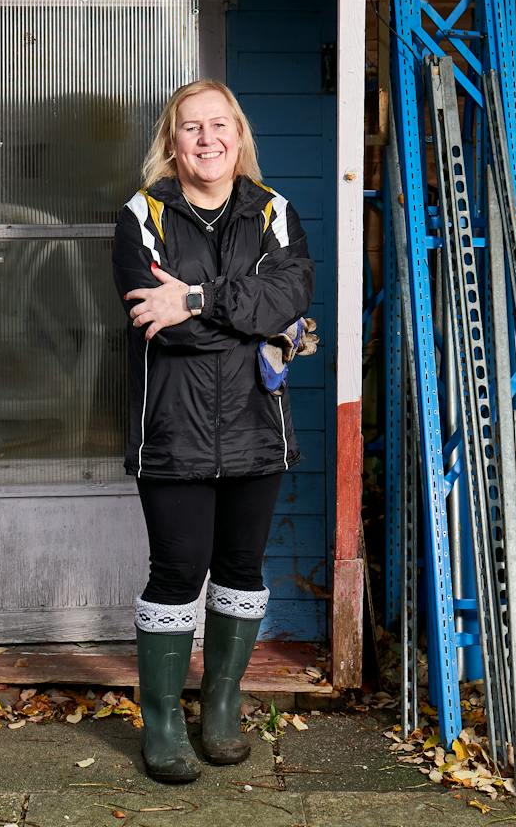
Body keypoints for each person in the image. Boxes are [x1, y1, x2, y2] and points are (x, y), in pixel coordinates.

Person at [110, 79, 315, 784]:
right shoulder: (143, 215)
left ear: (239, 135)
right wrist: (248, 319)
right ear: (172, 140)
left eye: (219, 125)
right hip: (173, 432)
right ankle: (164, 719)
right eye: (191, 127)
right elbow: (157, 326)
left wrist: (194, 298)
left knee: (240, 570)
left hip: (257, 428)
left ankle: (220, 705)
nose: (207, 139)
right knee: (178, 571)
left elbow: (290, 297)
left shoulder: (274, 212)